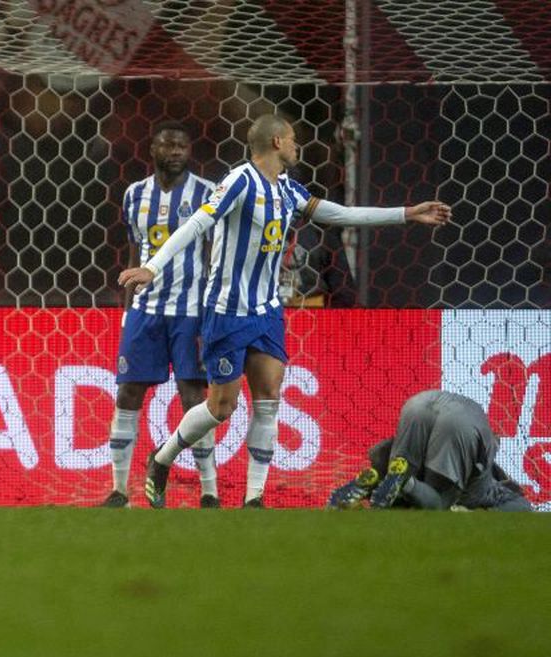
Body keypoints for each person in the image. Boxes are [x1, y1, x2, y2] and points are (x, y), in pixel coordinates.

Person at [120, 113, 451, 508]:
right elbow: (196, 223)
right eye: (293, 140)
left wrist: (407, 213)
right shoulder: (239, 181)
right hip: (227, 311)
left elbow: (340, 215)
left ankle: (254, 498)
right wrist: (152, 267)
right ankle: (162, 458)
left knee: (268, 399)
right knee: (220, 408)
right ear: (277, 142)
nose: (298, 147)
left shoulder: (289, 190)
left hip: (266, 311)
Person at [101, 122, 218, 509]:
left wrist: (209, 310)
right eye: (167, 144)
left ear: (190, 150)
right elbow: (135, 253)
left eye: (182, 144)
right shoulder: (135, 195)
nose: (175, 150)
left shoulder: (205, 193)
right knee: (128, 392)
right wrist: (127, 306)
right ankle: (119, 490)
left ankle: (209, 491)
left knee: (192, 396)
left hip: (189, 310)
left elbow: (210, 254)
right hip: (145, 310)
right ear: (152, 149)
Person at [328, 390, 532, 512]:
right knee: (438, 504)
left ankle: (376, 481)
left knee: (400, 484)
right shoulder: (484, 489)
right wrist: (479, 512)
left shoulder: (472, 461)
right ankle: (406, 481)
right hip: (464, 421)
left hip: (420, 402)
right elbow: (523, 506)